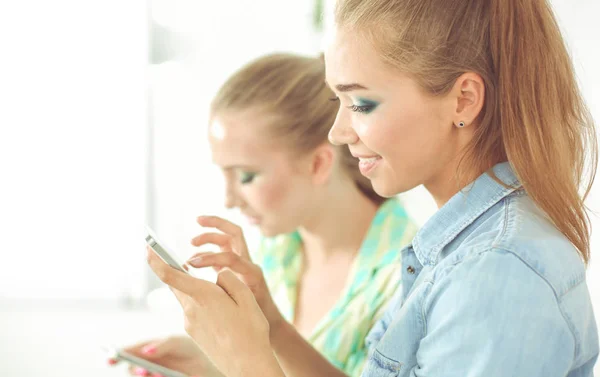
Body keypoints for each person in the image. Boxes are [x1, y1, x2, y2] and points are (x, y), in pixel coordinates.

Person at [147, 0, 600, 376]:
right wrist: (272, 329)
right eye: (337, 103)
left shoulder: (495, 274)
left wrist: (245, 362)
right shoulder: (453, 251)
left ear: (463, 100)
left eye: (361, 104)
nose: (338, 132)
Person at [118, 53, 418, 377]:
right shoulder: (275, 254)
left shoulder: (410, 273)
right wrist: (207, 368)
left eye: (246, 176)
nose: (229, 200)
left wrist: (267, 335)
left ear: (318, 164)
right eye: (225, 174)